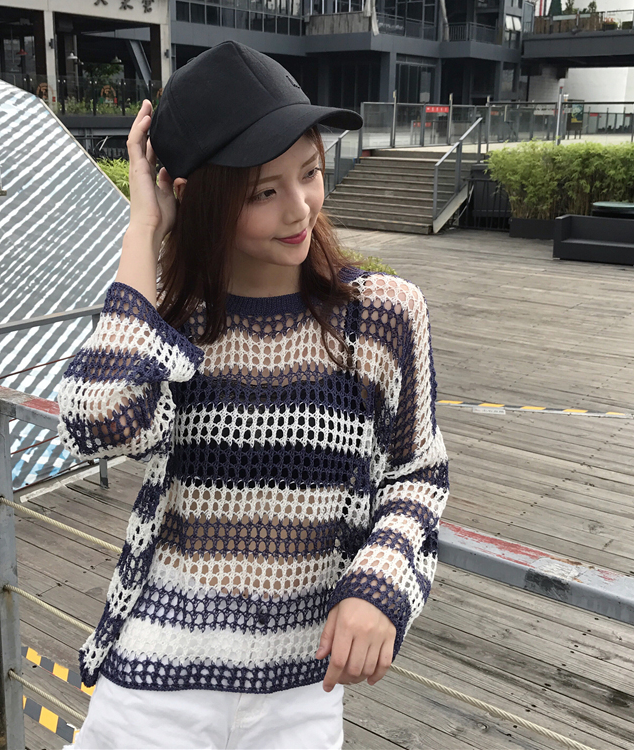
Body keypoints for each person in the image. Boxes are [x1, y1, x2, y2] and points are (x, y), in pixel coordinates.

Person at [57, 40, 449, 750]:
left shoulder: (384, 315)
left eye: (311, 173)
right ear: (197, 196)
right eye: (264, 192)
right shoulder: (170, 325)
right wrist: (143, 224)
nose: (300, 209)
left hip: (301, 689)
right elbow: (100, 421)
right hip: (156, 680)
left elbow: (418, 472)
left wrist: (381, 582)